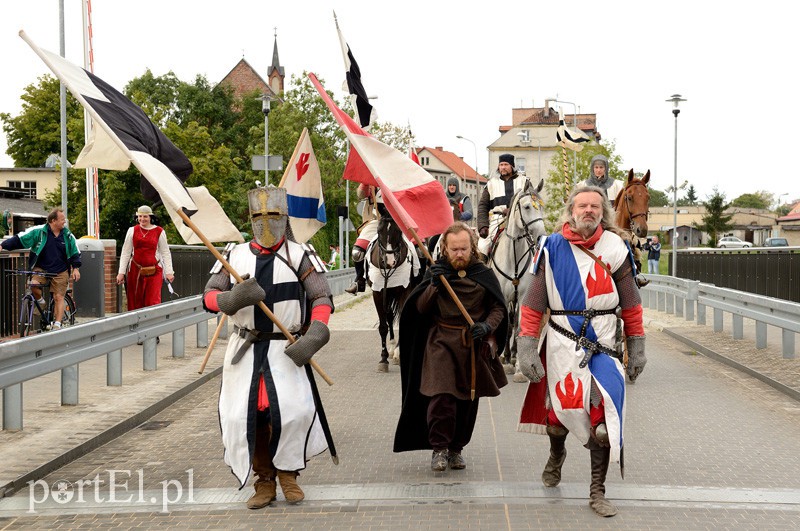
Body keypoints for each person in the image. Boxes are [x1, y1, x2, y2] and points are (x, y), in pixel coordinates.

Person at [516, 186, 646, 517]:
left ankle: (597, 491)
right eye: (582, 205)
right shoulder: (551, 247)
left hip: (603, 344)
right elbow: (533, 302)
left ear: (603, 211)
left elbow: (630, 302)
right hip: (562, 342)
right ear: (571, 210)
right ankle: (556, 452)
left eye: (594, 205)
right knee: (558, 420)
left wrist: (637, 344)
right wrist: (527, 345)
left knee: (603, 424)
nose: (588, 210)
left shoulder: (616, 247)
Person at [203, 185, 334, 509]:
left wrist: (316, 333)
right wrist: (230, 299)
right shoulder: (233, 255)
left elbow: (321, 297)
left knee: (292, 412)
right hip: (245, 350)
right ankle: (264, 480)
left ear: (283, 216)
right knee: (246, 417)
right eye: (259, 215)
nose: (266, 221)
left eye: (273, 215)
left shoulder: (300, 254)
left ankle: (288, 474)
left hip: (284, 348)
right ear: (250, 217)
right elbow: (207, 298)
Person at [394, 221, 508, 472]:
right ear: (445, 248)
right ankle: (439, 449)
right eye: (454, 249)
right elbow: (421, 309)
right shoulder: (437, 272)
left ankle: (457, 448)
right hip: (440, 341)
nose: (459, 254)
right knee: (441, 397)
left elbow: (498, 307)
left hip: (471, 345)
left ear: (472, 247)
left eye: (464, 249)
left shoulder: (483, 273)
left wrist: (487, 326)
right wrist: (434, 285)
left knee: (468, 400)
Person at [1, 208, 80, 330]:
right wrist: (2, 246)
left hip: (60, 270)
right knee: (33, 284)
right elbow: (20, 239)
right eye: (62, 219)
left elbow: (75, 252)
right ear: (53, 221)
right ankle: (41, 301)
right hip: (41, 268)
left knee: (58, 297)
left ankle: (57, 324)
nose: (64, 222)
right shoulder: (38, 232)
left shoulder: (68, 236)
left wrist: (76, 268)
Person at [116, 205, 174, 310]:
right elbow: (126, 252)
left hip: (154, 270)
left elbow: (165, 252)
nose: (142, 219)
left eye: (145, 216)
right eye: (140, 216)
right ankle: (136, 325)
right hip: (135, 270)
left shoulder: (159, 231)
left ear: (150, 217)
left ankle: (153, 324)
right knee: (135, 300)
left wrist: (169, 272)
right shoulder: (132, 230)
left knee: (152, 301)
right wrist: (121, 272)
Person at [476, 153, 529, 256]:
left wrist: (513, 210)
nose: (503, 167)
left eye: (506, 165)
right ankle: (485, 269)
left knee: (536, 243)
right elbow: (483, 206)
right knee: (482, 246)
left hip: (520, 219)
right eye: (501, 165)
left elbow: (531, 201)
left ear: (512, 166)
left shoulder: (523, 181)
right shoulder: (491, 184)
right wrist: (483, 226)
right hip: (498, 220)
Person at [345, 183, 379, 294]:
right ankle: (360, 281)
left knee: (419, 248)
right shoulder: (372, 180)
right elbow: (361, 194)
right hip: (375, 221)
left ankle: (421, 279)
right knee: (357, 252)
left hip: (398, 218)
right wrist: (366, 182)